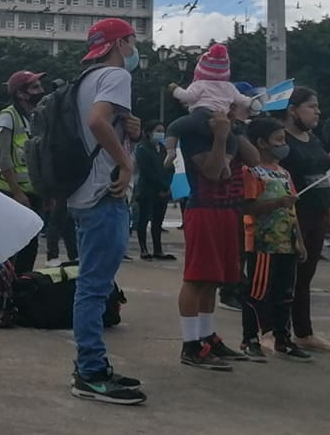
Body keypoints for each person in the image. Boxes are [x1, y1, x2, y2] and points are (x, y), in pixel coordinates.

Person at [66, 19, 146, 404]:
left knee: (91, 285)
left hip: (82, 192)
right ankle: (91, 372)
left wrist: (130, 133)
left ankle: (91, 365)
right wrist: (125, 163)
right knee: (95, 288)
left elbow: (98, 122)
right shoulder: (115, 75)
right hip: (104, 194)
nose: (134, 49)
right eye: (133, 41)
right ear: (121, 43)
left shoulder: (87, 78)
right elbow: (97, 121)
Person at [169, 91, 260, 372]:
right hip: (203, 208)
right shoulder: (196, 132)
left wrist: (236, 129)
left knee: (213, 279)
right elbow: (213, 171)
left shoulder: (230, 129)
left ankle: (207, 336)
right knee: (197, 278)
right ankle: (190, 344)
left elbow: (254, 160)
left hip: (226, 210)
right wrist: (220, 137)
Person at [237, 118, 310, 361]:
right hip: (262, 244)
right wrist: (278, 202)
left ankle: (282, 338)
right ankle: (250, 339)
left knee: (284, 293)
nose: (283, 145)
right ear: (261, 143)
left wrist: (298, 239)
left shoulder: (284, 173)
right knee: (257, 293)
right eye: (279, 140)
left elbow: (292, 211)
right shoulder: (251, 171)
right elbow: (247, 207)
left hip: (285, 244)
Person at [278, 89, 330, 352]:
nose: (317, 112)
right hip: (291, 216)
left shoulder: (314, 139)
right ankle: (274, 332)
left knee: (305, 276)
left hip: (317, 215)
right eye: (311, 106)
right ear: (292, 110)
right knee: (285, 275)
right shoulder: (281, 140)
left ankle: (303, 331)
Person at [0, 70, 46, 273]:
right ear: (21, 94)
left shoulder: (36, 116)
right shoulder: (8, 117)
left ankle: (22, 292)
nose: (41, 90)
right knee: (11, 248)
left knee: (29, 247)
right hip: (9, 192)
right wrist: (17, 192)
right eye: (35, 87)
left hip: (31, 193)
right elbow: (3, 159)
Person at [170, 44, 253, 120]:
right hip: (222, 115)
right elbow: (241, 100)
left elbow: (189, 97)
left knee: (174, 128)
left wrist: (176, 90)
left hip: (200, 114)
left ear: (200, 69)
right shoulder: (229, 87)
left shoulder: (199, 84)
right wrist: (252, 101)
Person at [133, 122, 176, 261]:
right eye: (158, 130)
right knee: (143, 220)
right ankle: (144, 249)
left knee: (158, 222)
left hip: (163, 191)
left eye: (163, 131)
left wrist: (166, 185)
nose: (161, 134)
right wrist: (160, 185)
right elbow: (147, 172)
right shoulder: (142, 149)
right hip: (147, 190)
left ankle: (158, 250)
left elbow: (171, 168)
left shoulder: (163, 149)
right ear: (148, 132)